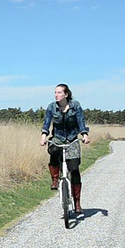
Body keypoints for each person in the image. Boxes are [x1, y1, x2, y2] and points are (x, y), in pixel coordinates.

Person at [39, 83, 90, 214]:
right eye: (55, 92)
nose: (56, 95)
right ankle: (55, 179)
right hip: (58, 137)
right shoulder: (52, 107)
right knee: (53, 150)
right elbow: (47, 123)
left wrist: (84, 135)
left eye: (59, 92)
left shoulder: (75, 105)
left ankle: (77, 203)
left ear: (66, 94)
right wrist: (44, 136)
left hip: (72, 139)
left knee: (74, 170)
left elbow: (81, 121)